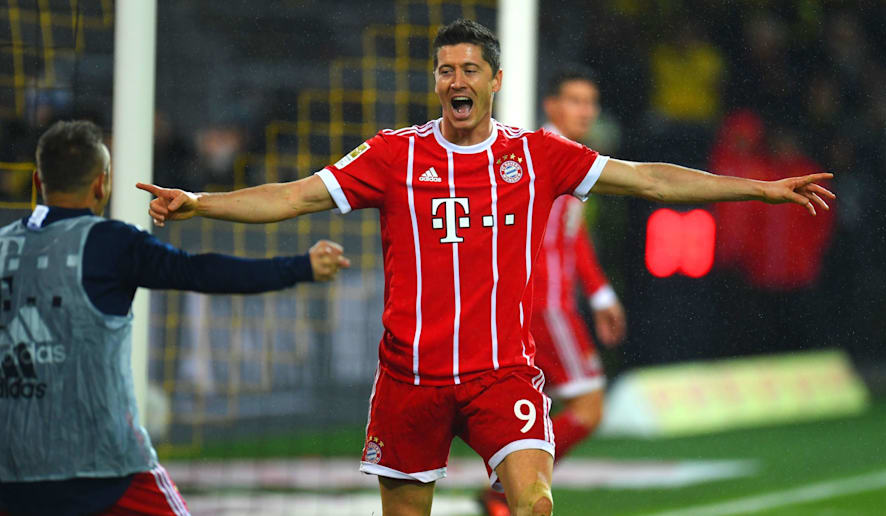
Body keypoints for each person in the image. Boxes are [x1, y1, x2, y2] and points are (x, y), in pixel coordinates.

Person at [137, 19, 833, 516]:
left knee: (533, 503)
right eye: (446, 70)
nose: (456, 81)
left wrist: (760, 190)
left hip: (501, 372)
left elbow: (650, 179)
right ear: (436, 81)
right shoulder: (394, 155)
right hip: (410, 377)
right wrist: (201, 202)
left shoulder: (536, 155)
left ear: (496, 80)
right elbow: (294, 196)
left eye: (470, 69)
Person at [0, 120, 350, 516]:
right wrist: (300, 267)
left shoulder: (2, 245)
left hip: (11, 474)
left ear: (37, 181)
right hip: (104, 469)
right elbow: (203, 273)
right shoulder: (111, 244)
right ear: (101, 184)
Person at [478, 65, 626, 516]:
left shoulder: (565, 155)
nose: (586, 111)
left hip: (540, 306)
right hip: (546, 307)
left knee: (531, 407)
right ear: (551, 105)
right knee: (589, 406)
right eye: (575, 101)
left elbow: (571, 235)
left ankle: (506, 491)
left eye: (591, 102)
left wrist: (600, 294)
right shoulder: (543, 155)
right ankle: (504, 490)